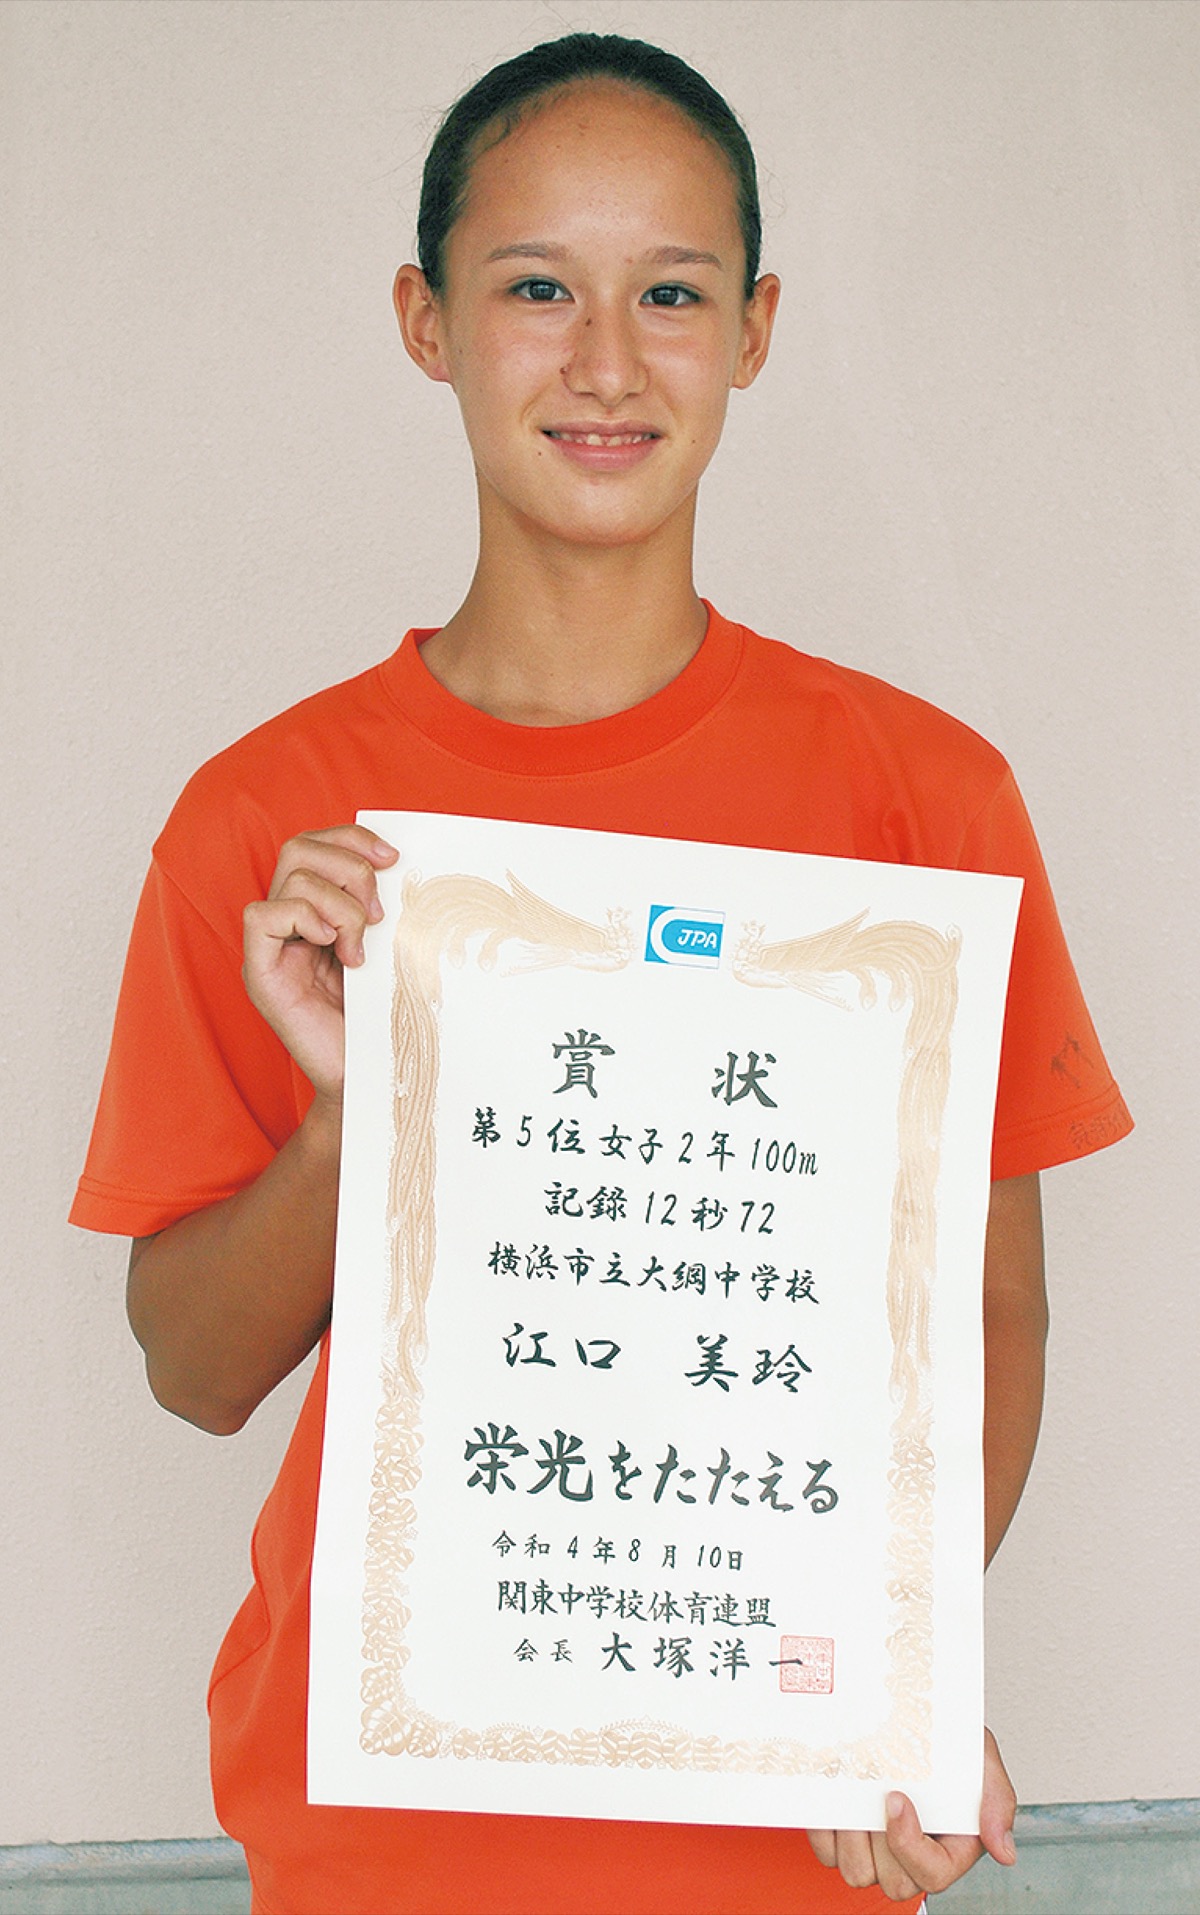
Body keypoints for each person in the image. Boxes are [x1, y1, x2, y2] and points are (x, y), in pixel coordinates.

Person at [71, 30, 1132, 1915]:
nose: (609, 363)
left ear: (757, 329)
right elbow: (193, 1370)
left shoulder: (921, 796)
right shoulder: (274, 823)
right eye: (537, 289)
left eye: (673, 293)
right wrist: (351, 1117)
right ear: (427, 322)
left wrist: (893, 1685)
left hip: (771, 1807)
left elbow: (994, 1311)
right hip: (381, 1811)